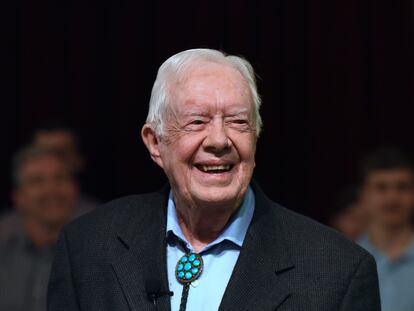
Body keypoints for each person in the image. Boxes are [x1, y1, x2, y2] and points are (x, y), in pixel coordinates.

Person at [48, 48, 380, 311]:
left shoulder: (338, 272)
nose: (219, 140)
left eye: (237, 121)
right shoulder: (87, 247)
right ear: (154, 142)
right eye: (197, 122)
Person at [0, 145, 79, 311]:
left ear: (75, 189)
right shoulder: (4, 249)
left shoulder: (98, 252)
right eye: (37, 181)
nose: (51, 190)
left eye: (60, 178)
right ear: (18, 196)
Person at [357, 148, 414, 311]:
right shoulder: (347, 259)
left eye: (402, 187)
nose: (392, 197)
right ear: (364, 195)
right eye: (381, 188)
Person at [32, 121, 99, 216]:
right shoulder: (6, 228)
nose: (50, 163)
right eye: (41, 154)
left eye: (60, 154)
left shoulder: (105, 220)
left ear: (79, 159)